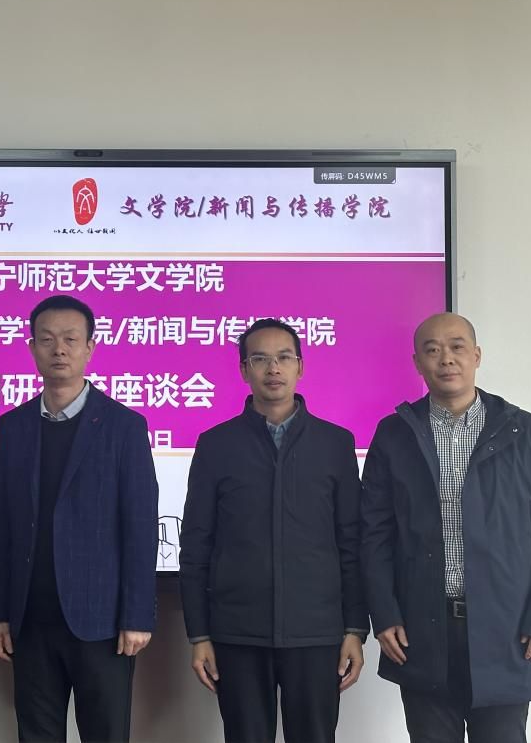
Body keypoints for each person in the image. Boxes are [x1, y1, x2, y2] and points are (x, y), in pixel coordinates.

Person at [361, 313, 531, 743]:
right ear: (417, 363)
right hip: (422, 628)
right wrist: (384, 613)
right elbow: (375, 533)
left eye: (457, 347)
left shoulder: (526, 432)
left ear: (476, 356)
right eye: (432, 350)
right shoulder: (395, 434)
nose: (446, 359)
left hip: (506, 629)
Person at [0, 295, 159, 742]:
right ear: (31, 348)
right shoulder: (12, 427)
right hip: (31, 618)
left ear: (89, 348)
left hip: (102, 622)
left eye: (70, 339)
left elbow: (140, 527)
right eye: (47, 340)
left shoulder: (124, 426)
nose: (58, 349)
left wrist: (137, 614)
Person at [180, 318, 367, 743]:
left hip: (317, 633)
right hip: (237, 633)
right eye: (260, 359)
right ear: (244, 370)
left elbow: (352, 543)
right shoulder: (216, 444)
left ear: (300, 366)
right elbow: (196, 545)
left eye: (284, 357)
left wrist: (355, 629)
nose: (273, 368)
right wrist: (200, 635)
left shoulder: (335, 444)